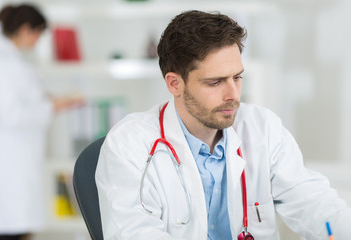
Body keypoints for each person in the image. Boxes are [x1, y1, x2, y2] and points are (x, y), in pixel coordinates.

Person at [95, 10, 351, 240]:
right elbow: (134, 233)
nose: (233, 94)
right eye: (215, 82)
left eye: (237, 77)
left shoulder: (262, 128)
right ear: (175, 83)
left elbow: (314, 204)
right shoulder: (129, 144)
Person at [0, 4, 83, 240]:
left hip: (21, 157)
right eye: (38, 33)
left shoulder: (14, 62)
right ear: (25, 30)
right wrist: (54, 106)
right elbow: (11, 115)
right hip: (11, 160)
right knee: (15, 226)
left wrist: (49, 101)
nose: (38, 40)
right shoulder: (3, 64)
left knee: (22, 224)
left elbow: (26, 100)